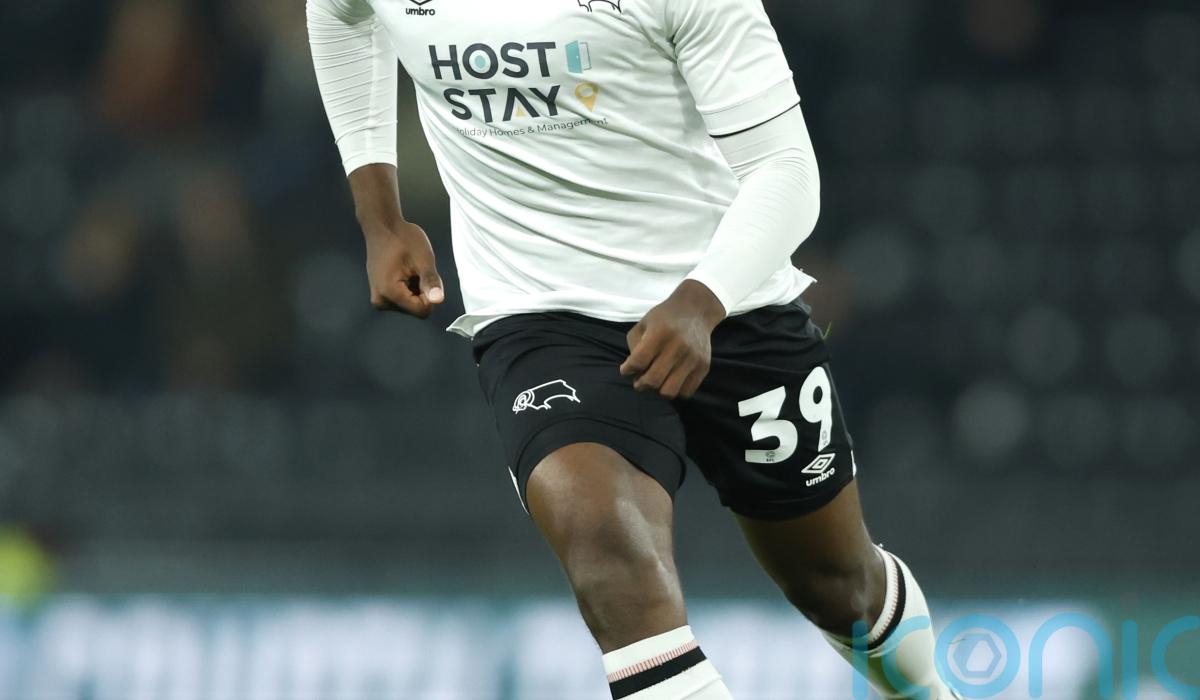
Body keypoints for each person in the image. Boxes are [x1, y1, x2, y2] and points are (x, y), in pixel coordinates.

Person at [307, 0, 960, 697]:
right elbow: (338, 12)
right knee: (614, 568)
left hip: (727, 299)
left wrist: (703, 299)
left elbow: (788, 169)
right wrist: (380, 215)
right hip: (541, 317)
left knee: (839, 586)